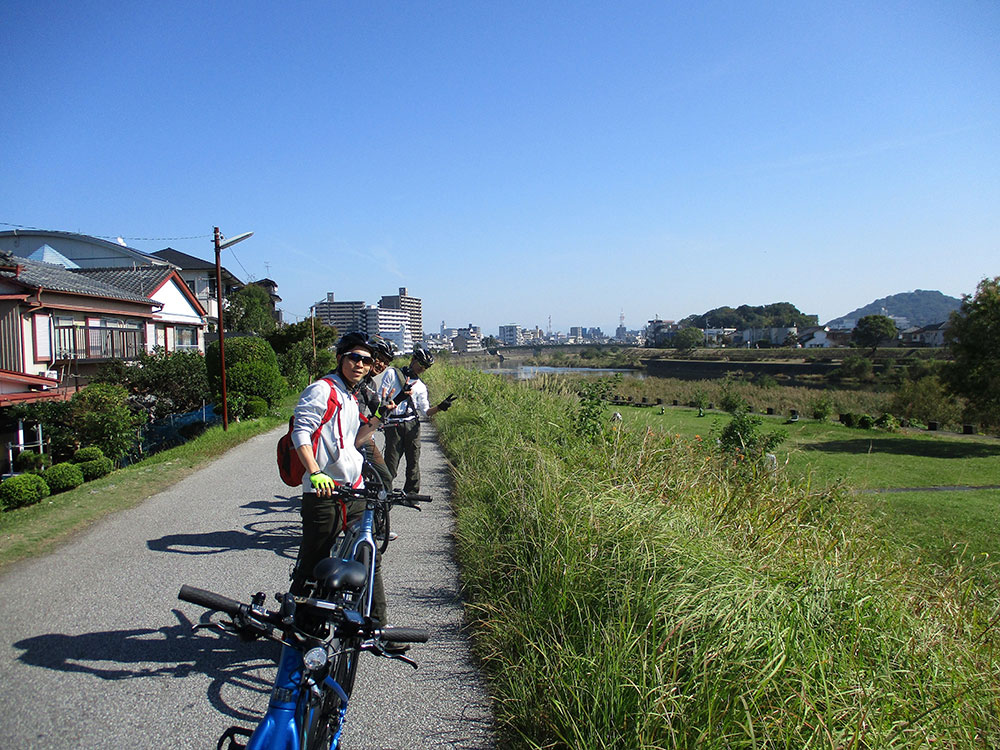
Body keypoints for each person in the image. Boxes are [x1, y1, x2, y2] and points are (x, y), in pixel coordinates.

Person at [290, 332, 395, 634]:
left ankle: (378, 627)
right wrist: (314, 471)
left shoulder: (351, 396)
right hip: (324, 492)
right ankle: (301, 625)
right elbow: (301, 432)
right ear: (340, 358)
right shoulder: (322, 390)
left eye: (366, 360)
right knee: (315, 561)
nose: (360, 364)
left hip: (355, 489)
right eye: (354, 358)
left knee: (368, 554)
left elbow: (355, 441)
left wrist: (377, 420)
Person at [380, 344, 455, 494]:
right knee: (391, 462)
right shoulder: (392, 374)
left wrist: (440, 407)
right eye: (421, 364)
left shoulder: (421, 386)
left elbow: (426, 412)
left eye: (426, 367)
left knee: (413, 461)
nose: (422, 368)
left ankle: (412, 494)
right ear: (413, 359)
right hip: (394, 423)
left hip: (412, 424)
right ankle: (384, 493)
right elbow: (380, 398)